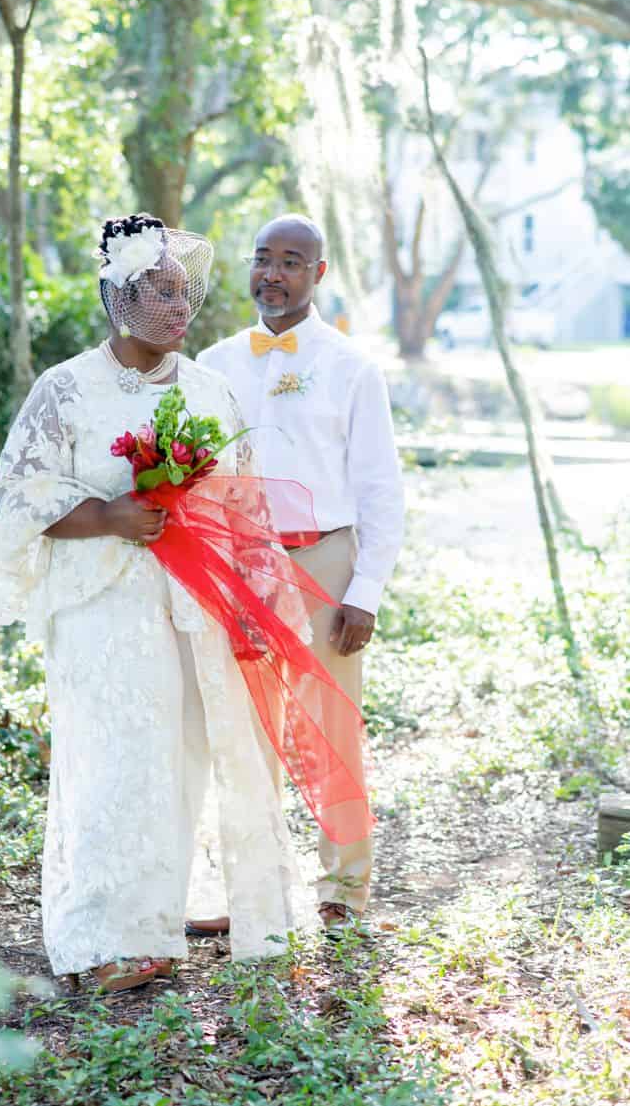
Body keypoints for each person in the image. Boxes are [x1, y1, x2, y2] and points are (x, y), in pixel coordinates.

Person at [0, 213, 299, 990]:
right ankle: (102, 938)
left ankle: (162, 921)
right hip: (102, 610)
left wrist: (256, 597)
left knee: (185, 756)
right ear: (118, 295)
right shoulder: (67, 388)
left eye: (184, 293)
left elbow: (245, 505)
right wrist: (110, 515)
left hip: (193, 606)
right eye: (160, 291)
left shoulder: (211, 391)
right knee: (113, 759)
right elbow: (20, 493)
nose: (179, 308)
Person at [196, 212, 405, 934]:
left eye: (291, 261)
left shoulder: (352, 367)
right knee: (246, 727)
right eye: (263, 258)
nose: (272, 273)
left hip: (324, 559)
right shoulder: (215, 364)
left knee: (329, 729)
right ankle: (249, 886)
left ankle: (344, 885)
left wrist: (364, 590)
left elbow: (380, 487)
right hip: (241, 562)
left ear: (318, 275)